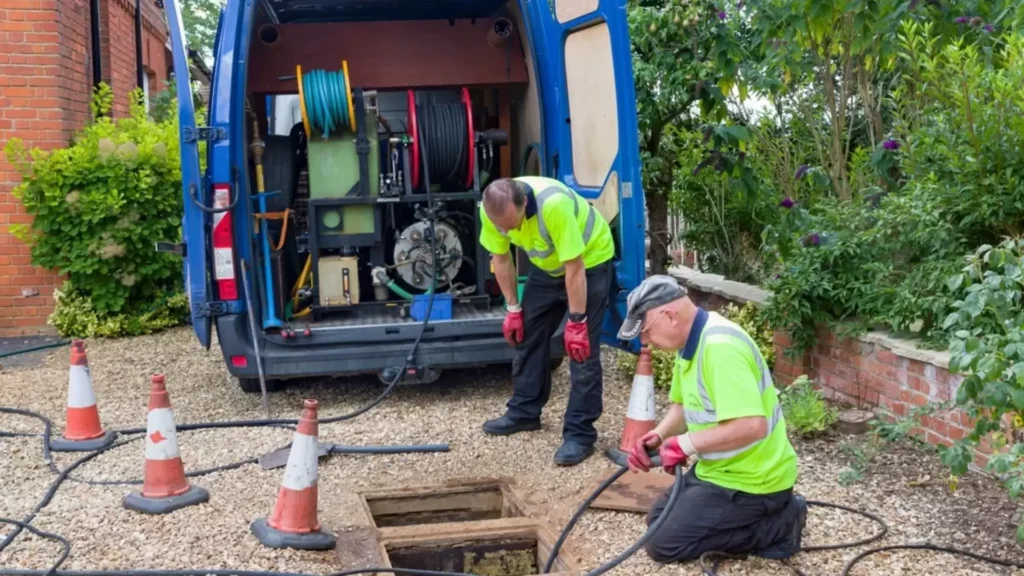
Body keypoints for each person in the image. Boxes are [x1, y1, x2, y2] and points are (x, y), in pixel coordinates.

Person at [616, 274, 806, 563]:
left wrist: (686, 444)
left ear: (669, 316)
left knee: (662, 545)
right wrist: (659, 436)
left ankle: (780, 525)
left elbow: (752, 426)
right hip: (719, 470)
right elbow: (683, 408)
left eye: (646, 330)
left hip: (755, 481)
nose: (645, 340)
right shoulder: (690, 343)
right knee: (656, 519)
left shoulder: (720, 348)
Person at [477, 176, 615, 466]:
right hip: (548, 266)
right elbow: (501, 259)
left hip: (588, 262)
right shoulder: (492, 210)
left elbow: (574, 267)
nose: (506, 230)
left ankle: (580, 434)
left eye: (511, 224)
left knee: (581, 350)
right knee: (527, 334)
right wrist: (513, 309)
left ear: (524, 203)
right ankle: (524, 412)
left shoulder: (554, 205)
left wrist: (576, 321)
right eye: (501, 226)